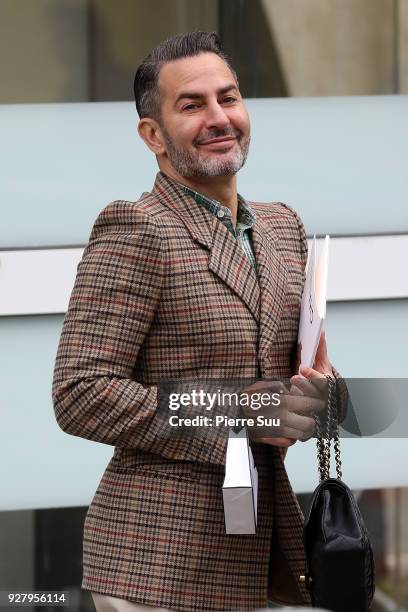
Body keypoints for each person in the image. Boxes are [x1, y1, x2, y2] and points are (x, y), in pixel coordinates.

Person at [52, 31, 346, 612]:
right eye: (192, 105)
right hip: (157, 559)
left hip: (259, 545)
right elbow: (79, 393)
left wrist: (319, 394)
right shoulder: (135, 229)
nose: (219, 117)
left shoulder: (282, 227)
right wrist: (244, 411)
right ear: (152, 135)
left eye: (228, 97)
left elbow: (291, 375)